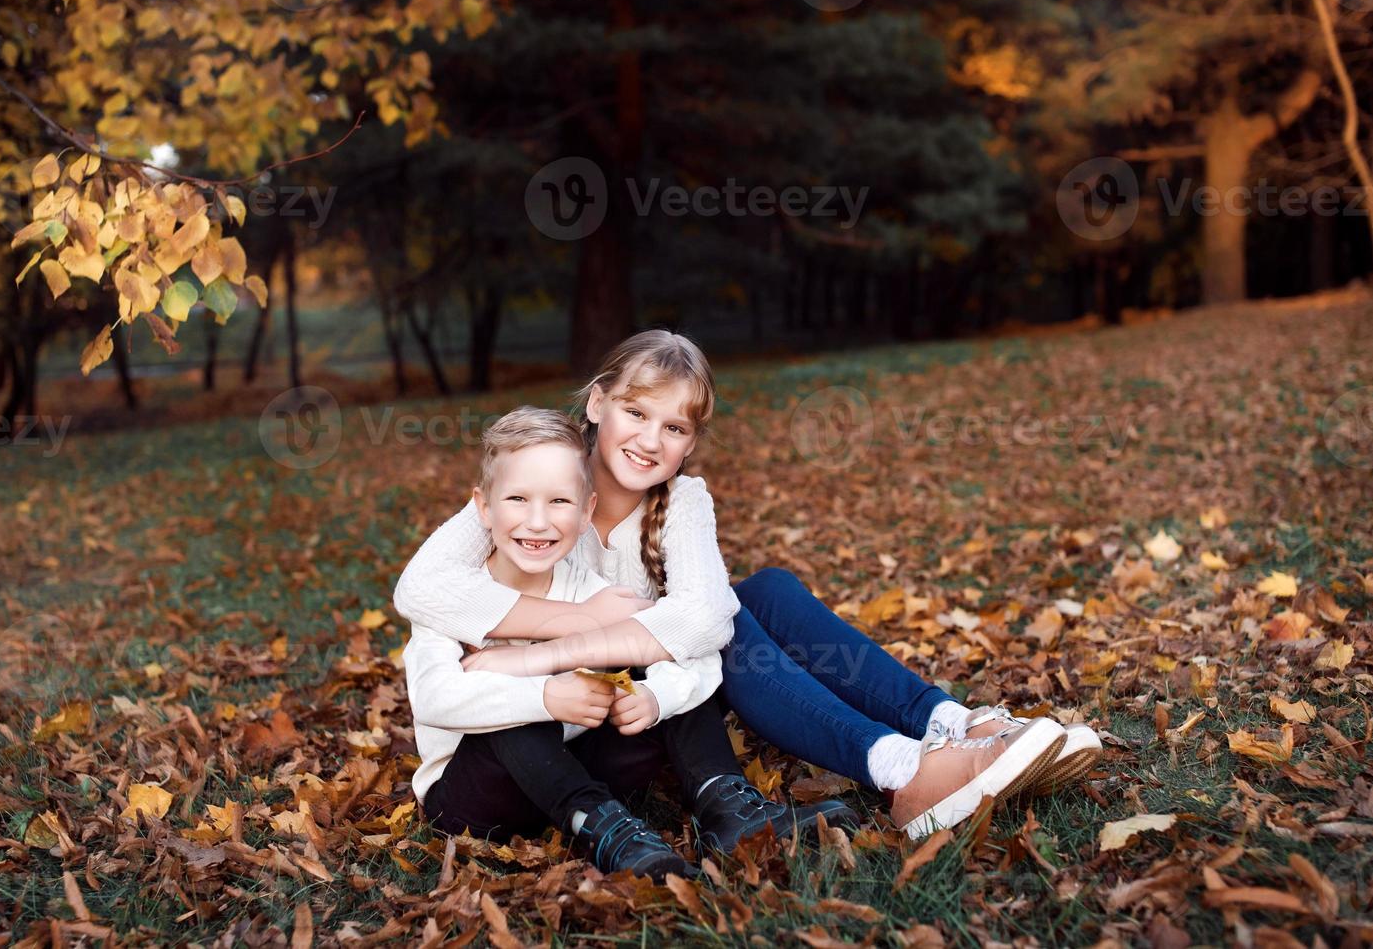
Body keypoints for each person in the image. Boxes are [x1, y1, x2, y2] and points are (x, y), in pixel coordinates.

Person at [395, 332, 1099, 840]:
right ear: (596, 403)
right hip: (586, 717)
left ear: (690, 443)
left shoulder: (683, 501)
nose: (648, 439)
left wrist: (539, 649)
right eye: (635, 413)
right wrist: (558, 629)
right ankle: (899, 768)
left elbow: (702, 620)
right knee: (734, 615)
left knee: (762, 592)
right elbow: (419, 587)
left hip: (654, 690)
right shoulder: (540, 479)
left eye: (673, 427)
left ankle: (949, 726)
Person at [404, 407, 858, 881]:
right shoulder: (457, 598)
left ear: (586, 513)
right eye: (517, 499)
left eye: (559, 502)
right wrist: (544, 696)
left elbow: (684, 649)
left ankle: (725, 803)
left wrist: (655, 696)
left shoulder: (595, 594)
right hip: (474, 795)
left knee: (656, 659)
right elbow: (434, 698)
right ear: (483, 508)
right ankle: (605, 830)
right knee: (512, 715)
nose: (537, 522)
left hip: (573, 764)